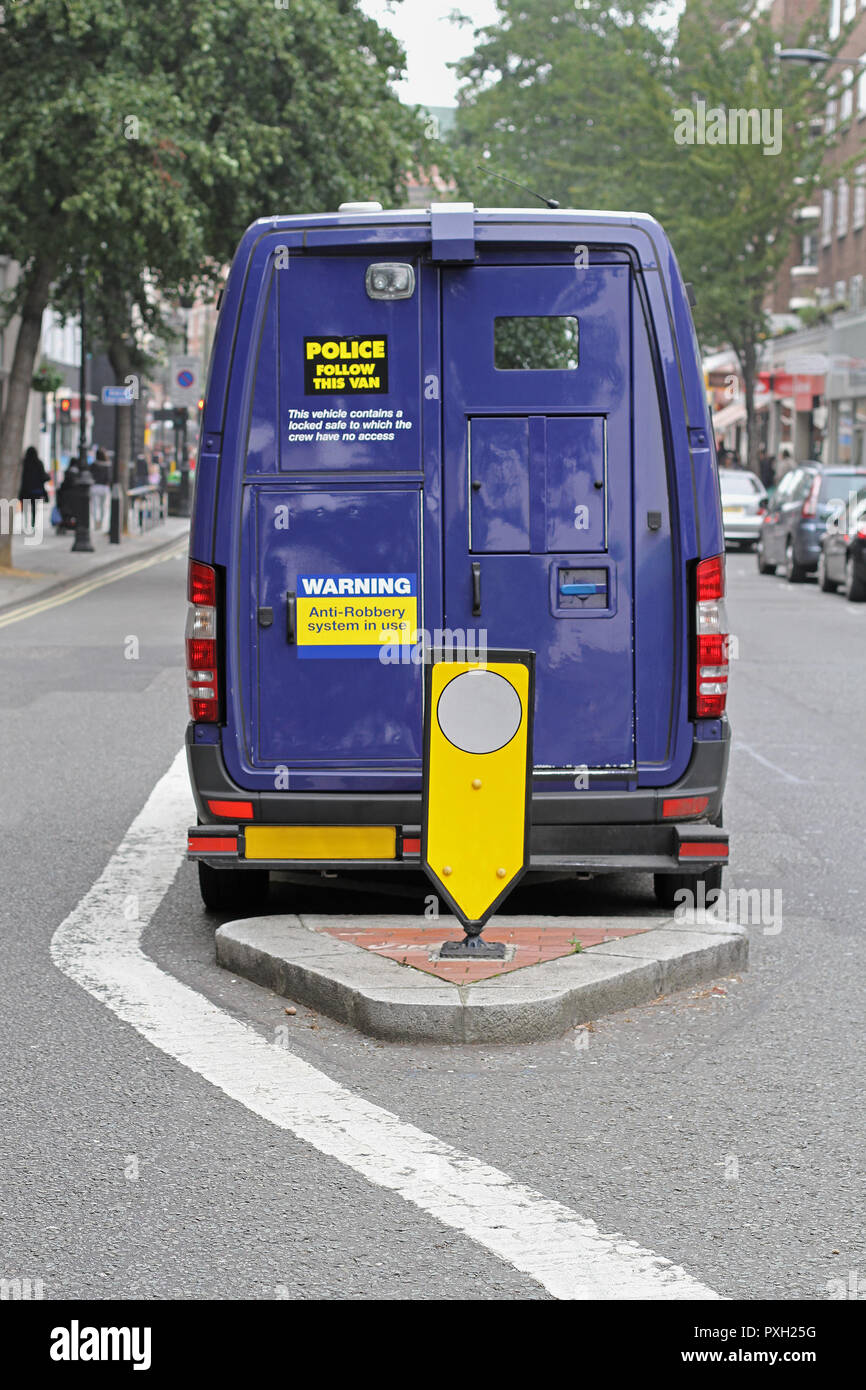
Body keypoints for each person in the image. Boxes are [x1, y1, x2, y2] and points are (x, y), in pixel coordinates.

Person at [17, 445, 48, 529]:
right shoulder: (39, 463)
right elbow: (43, 476)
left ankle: (25, 523)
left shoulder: (24, 463)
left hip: (25, 489)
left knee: (25, 507)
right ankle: (33, 523)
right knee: (34, 508)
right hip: (36, 490)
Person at [90, 447, 111, 533]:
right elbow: (109, 478)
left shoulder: (93, 465)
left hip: (95, 487)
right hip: (104, 488)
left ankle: (96, 523)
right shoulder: (107, 465)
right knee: (103, 507)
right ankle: (101, 522)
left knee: (94, 506)